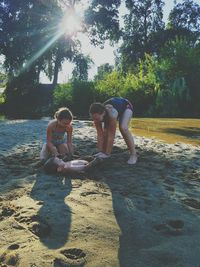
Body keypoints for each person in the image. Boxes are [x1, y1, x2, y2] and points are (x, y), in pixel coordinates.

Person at [89, 97, 137, 164]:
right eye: (93, 118)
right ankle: (103, 151)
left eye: (97, 118)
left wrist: (107, 154)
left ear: (103, 113)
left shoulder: (112, 113)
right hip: (112, 110)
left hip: (126, 106)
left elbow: (111, 135)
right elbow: (100, 134)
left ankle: (133, 155)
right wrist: (101, 151)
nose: (95, 120)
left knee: (123, 128)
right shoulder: (96, 115)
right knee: (105, 132)